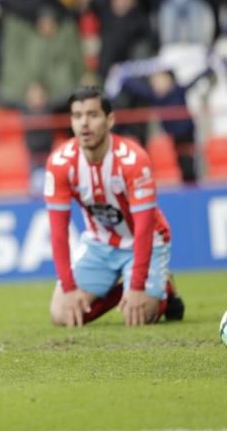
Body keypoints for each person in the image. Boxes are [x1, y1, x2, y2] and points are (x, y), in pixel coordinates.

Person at [44, 86, 185, 328]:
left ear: (110, 120)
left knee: (141, 316)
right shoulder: (59, 163)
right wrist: (68, 289)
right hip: (99, 243)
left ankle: (163, 290)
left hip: (146, 241)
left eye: (92, 115)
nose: (84, 124)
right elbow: (58, 232)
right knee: (62, 315)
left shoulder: (133, 160)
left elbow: (144, 227)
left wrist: (138, 286)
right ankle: (131, 289)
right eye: (77, 116)